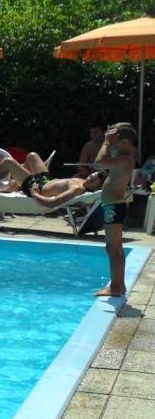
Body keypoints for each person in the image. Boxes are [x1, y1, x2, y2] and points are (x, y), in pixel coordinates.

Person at [92, 123, 136, 297]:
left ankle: (116, 287)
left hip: (114, 206)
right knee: (115, 247)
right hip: (113, 206)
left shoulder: (125, 159)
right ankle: (119, 285)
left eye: (115, 141)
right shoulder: (123, 156)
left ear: (124, 142)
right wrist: (114, 134)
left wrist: (106, 143)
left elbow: (97, 163)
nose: (110, 143)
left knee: (113, 248)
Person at [0, 151, 105, 208]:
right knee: (32, 156)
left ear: (96, 188)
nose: (89, 179)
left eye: (92, 182)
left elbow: (52, 203)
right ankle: (14, 185)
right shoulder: (82, 181)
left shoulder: (77, 189)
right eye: (91, 176)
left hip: (38, 188)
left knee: (8, 162)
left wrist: (34, 193)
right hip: (46, 180)